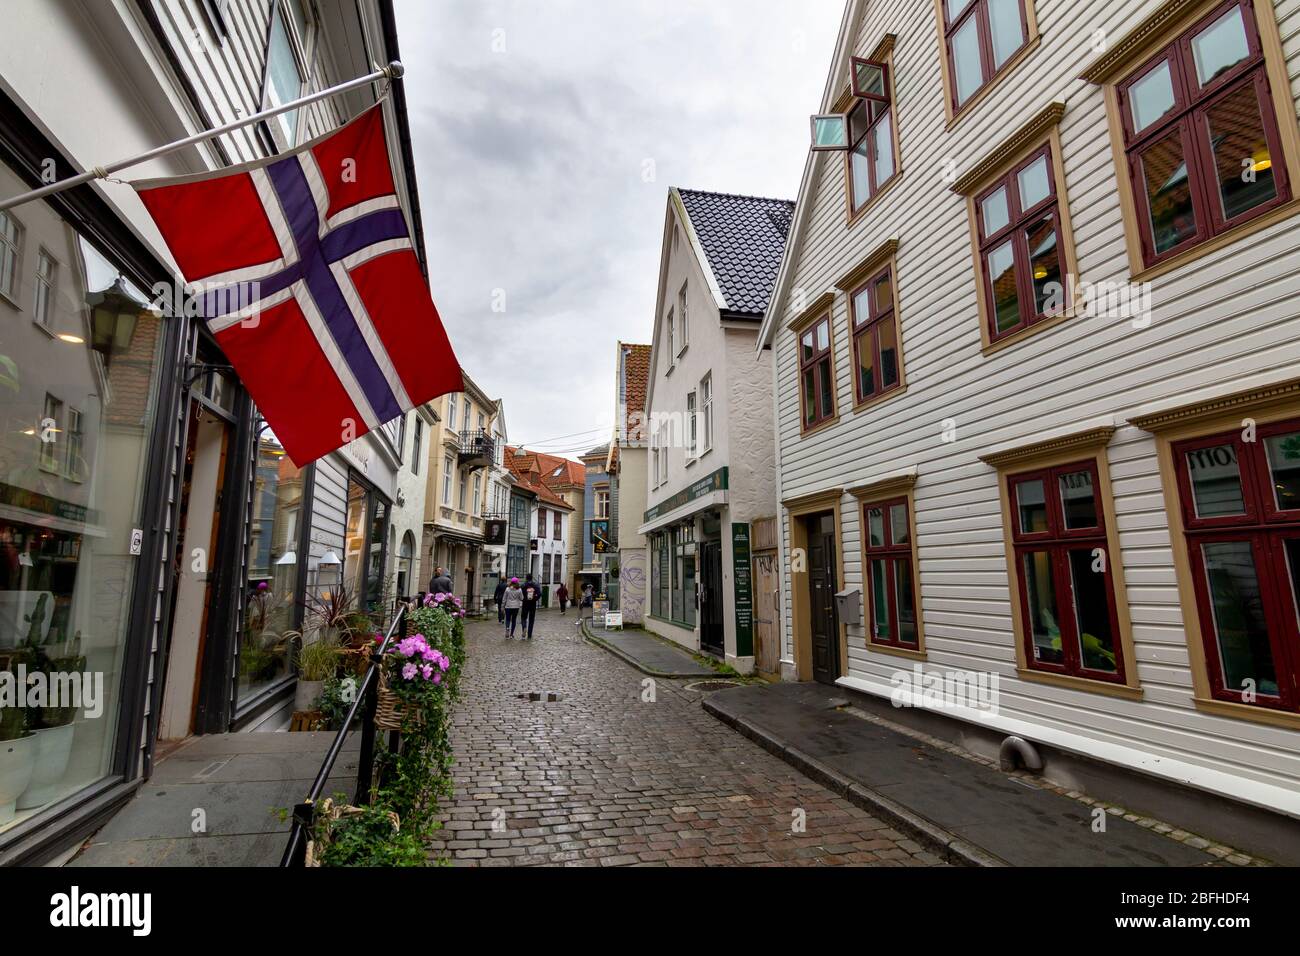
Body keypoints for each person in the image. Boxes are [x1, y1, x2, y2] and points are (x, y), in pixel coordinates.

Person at [519, 573, 541, 641]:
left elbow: (520, 593)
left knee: (523, 618)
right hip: (532, 604)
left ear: (526, 578)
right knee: (531, 619)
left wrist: (523, 599)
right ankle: (529, 634)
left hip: (525, 603)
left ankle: (524, 628)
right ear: (531, 578)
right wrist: (535, 599)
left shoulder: (523, 585)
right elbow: (539, 594)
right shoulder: (535, 585)